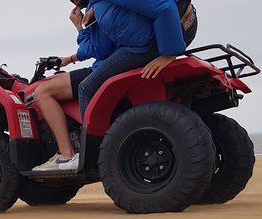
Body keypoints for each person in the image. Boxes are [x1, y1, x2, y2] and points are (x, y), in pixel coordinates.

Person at [31, 0, 115, 171]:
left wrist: (79, 27)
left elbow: (99, 49)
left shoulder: (96, 9)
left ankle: (66, 154)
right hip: (109, 63)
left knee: (42, 92)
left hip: (103, 67)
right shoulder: (102, 5)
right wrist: (70, 59)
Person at [78, 0, 198, 120]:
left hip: (157, 40)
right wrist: (95, 7)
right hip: (160, 33)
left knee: (86, 89)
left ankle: (96, 138)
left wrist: (169, 53)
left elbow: (165, 8)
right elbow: (102, 48)